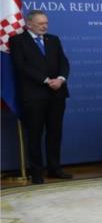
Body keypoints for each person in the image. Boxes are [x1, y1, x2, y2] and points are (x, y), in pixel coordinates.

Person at [9, 10, 71, 184]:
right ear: (29, 24)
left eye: (46, 23)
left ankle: (54, 168)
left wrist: (61, 79)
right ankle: (36, 172)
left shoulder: (53, 39)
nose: (45, 26)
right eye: (41, 23)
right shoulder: (17, 41)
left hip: (57, 93)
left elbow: (64, 62)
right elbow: (21, 66)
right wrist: (45, 80)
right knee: (35, 134)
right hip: (33, 95)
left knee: (55, 133)